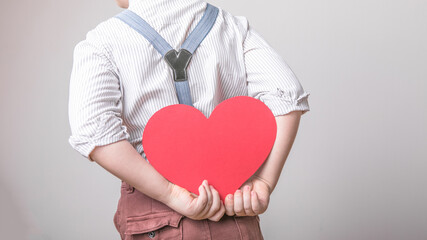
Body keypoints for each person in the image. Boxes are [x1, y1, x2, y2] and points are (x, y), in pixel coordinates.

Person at [68, 0, 310, 239]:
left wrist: (170, 193)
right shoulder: (231, 27)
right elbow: (288, 93)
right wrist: (263, 182)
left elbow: (91, 128)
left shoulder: (102, 42)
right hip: (231, 207)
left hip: (156, 218)